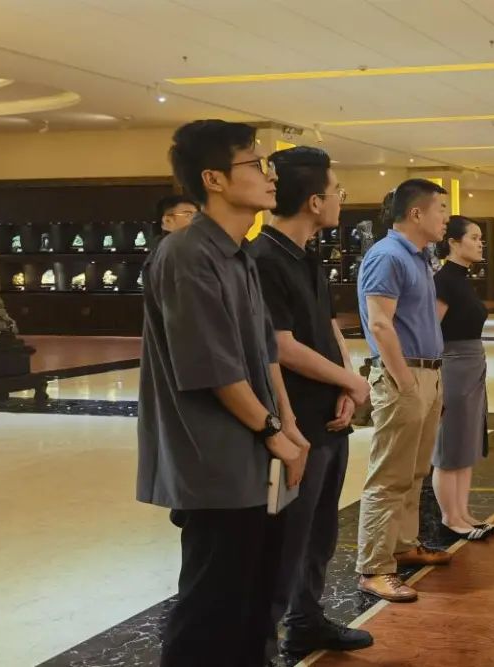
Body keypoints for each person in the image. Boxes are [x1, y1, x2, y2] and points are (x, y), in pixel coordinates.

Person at [136, 119, 310, 667]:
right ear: (213, 178)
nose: (270, 174)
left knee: (253, 600)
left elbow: (263, 351)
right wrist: (272, 430)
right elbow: (211, 367)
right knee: (212, 605)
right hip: (214, 459)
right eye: (256, 164)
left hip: (255, 452)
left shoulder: (239, 252)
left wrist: (288, 424)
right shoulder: (186, 253)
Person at [250, 146, 374, 657]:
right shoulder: (263, 259)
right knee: (286, 539)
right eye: (336, 191)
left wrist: (346, 383)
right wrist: (350, 382)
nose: (341, 198)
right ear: (313, 201)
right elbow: (279, 345)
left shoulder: (306, 254)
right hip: (294, 421)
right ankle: (262, 643)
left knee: (320, 530)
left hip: (328, 416)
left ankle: (306, 620)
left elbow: (325, 325)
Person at [355, 178, 452, 603]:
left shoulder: (418, 256)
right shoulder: (387, 255)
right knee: (389, 476)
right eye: (441, 209)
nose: (446, 218)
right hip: (403, 375)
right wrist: (406, 382)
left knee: (414, 472)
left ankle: (403, 545)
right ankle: (374, 567)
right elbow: (380, 324)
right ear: (416, 213)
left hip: (427, 373)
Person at [432, 216, 494, 542]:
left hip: (471, 365)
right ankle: (450, 517)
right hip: (453, 366)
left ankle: (463, 512)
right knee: (450, 446)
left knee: (467, 442)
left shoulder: (462, 278)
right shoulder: (444, 279)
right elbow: (432, 330)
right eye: (474, 237)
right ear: (453, 242)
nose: (480, 243)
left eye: (480, 237)